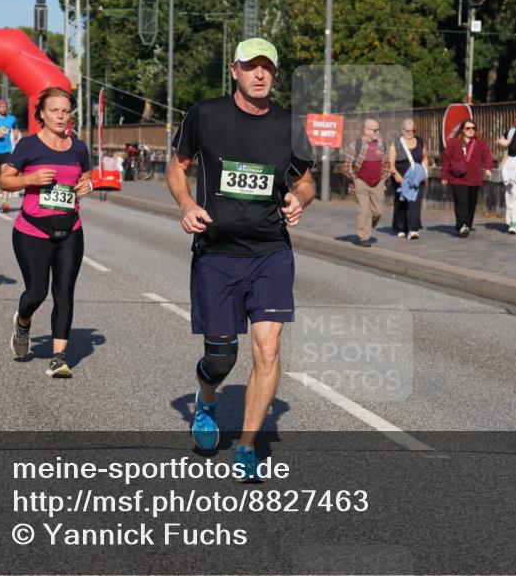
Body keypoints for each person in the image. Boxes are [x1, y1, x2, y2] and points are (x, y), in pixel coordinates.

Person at [167, 38, 315, 481]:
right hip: (217, 253)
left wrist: (298, 198)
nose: (259, 74)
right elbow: (178, 165)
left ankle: (248, 446)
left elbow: (306, 179)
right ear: (234, 70)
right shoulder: (206, 114)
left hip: (271, 250)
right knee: (221, 357)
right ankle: (207, 399)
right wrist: (186, 205)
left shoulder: (289, 125)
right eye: (251, 66)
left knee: (267, 349)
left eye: (267, 67)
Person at [1, 87, 92, 379]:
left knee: (64, 292)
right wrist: (30, 179)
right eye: (54, 110)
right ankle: (23, 321)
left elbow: (86, 177)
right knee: (37, 292)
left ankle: (58, 357)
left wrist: (87, 186)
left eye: (65, 111)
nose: (61, 116)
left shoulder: (79, 147)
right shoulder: (29, 145)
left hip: (70, 230)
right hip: (31, 231)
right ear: (41, 113)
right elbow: (5, 181)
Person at [342, 118, 390, 247]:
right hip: (361, 182)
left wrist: (384, 178)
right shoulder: (355, 145)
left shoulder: (382, 144)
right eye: (375, 130)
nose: (377, 132)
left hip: (378, 182)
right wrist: (356, 180)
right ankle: (364, 237)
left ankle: (367, 225)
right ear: (366, 130)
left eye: (378, 130)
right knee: (364, 210)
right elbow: (346, 167)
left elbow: (386, 164)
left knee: (378, 211)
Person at [441, 118, 492, 237]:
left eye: (473, 128)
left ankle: (467, 225)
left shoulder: (480, 143)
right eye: (468, 128)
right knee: (461, 202)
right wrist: (444, 175)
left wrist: (488, 168)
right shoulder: (453, 142)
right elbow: (446, 159)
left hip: (474, 179)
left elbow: (487, 156)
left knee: (471, 203)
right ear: (462, 130)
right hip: (457, 178)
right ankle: (462, 225)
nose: (471, 130)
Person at [388, 118, 428, 240]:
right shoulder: (396, 143)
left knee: (415, 202)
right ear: (402, 131)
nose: (411, 133)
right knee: (402, 202)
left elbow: (425, 159)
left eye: (413, 130)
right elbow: (391, 163)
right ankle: (401, 227)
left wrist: (425, 174)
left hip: (416, 178)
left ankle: (413, 229)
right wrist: (396, 175)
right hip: (401, 178)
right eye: (408, 130)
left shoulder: (420, 142)